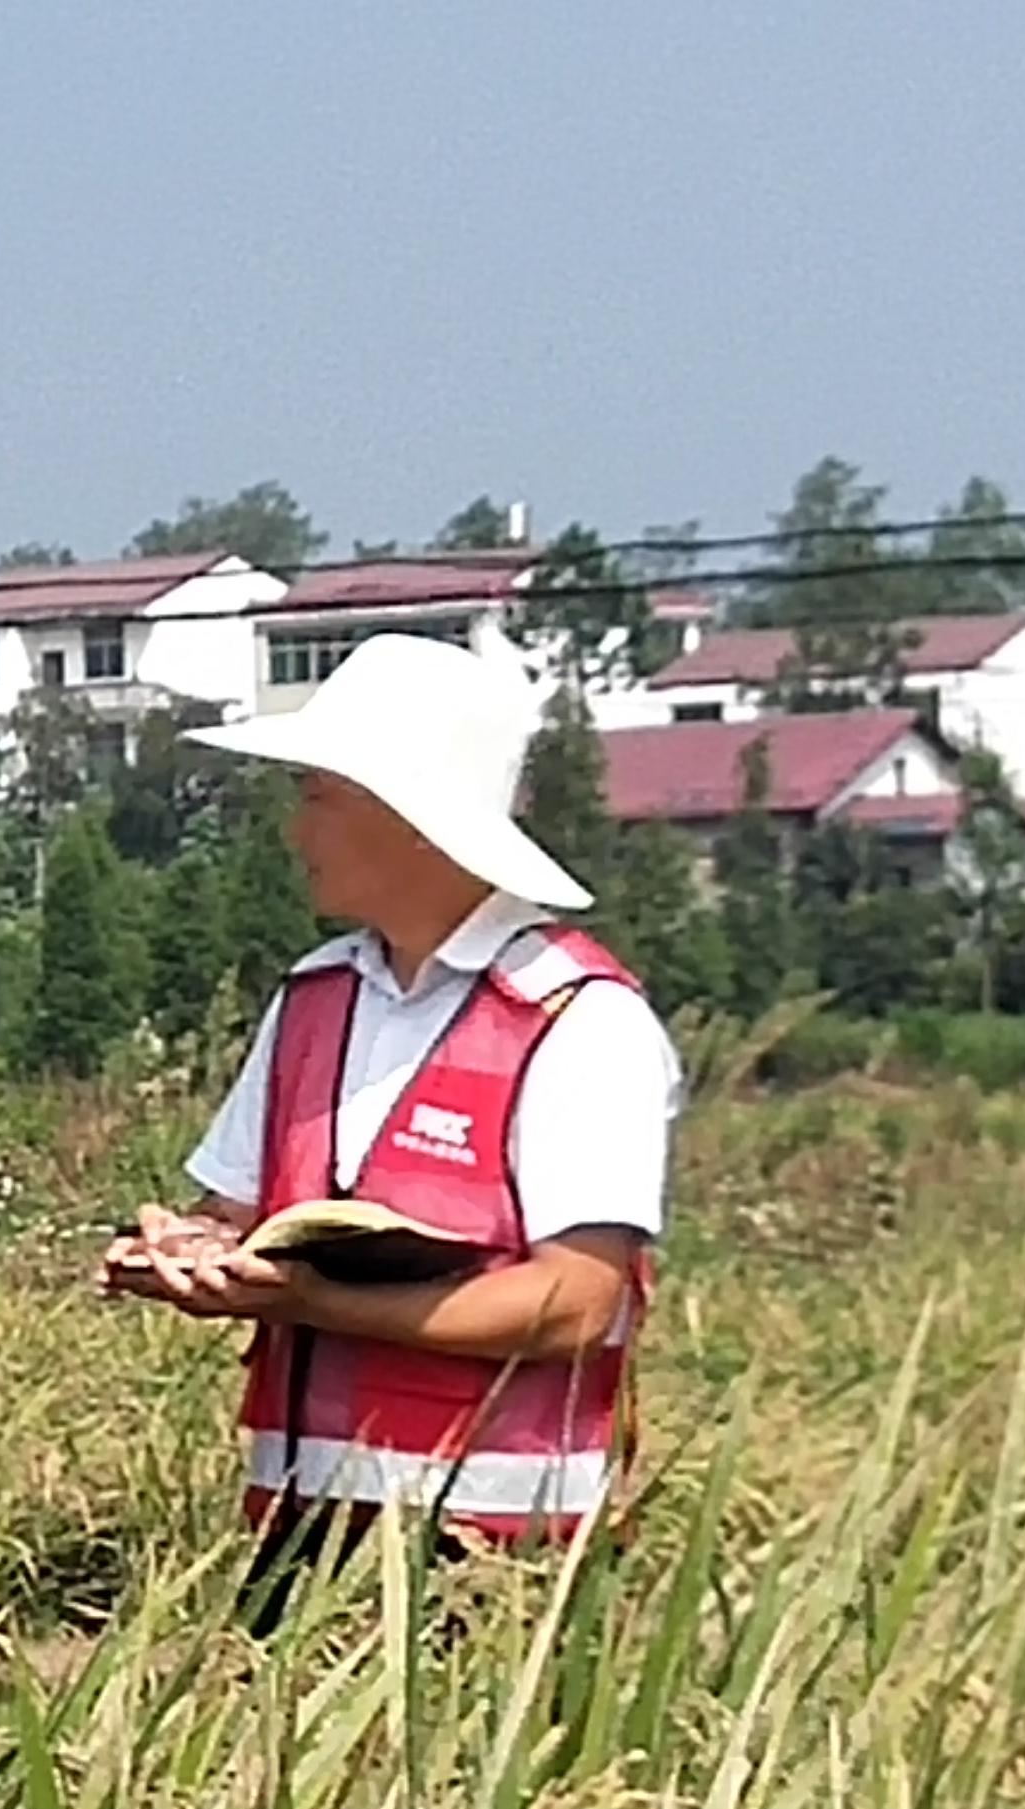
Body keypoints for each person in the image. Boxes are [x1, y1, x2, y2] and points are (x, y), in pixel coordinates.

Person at [98, 634, 681, 1632]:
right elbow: (232, 1211)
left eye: (320, 796)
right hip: (303, 1541)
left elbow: (580, 1303)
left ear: (411, 820)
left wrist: (319, 1301)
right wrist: (186, 1254)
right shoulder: (314, 997)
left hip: (504, 1567)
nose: (296, 830)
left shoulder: (583, 1021)